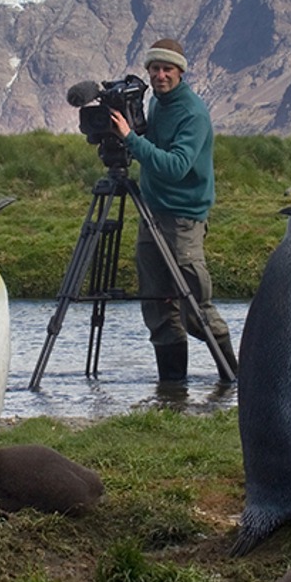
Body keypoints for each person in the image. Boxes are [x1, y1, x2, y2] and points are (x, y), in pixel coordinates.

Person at [108, 38, 238, 384]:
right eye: (155, 69)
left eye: (168, 69)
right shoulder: (157, 104)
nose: (161, 75)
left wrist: (131, 140)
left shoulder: (192, 112)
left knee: (195, 308)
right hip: (152, 213)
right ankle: (172, 387)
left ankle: (235, 381)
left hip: (183, 218)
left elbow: (177, 166)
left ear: (180, 71)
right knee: (158, 306)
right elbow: (155, 147)